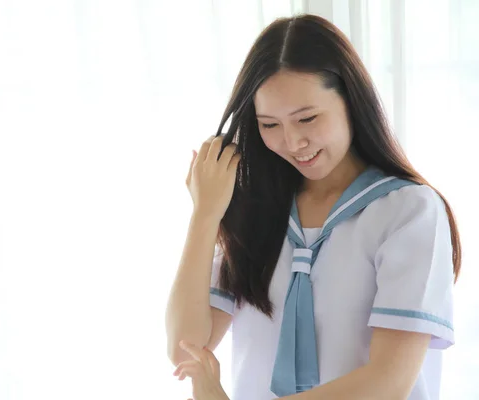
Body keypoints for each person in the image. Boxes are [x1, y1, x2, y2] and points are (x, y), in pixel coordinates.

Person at [164, 13, 461, 400]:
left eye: (307, 118)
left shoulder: (409, 212)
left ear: (351, 102)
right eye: (270, 125)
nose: (292, 142)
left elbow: (388, 383)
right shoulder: (258, 212)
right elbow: (185, 347)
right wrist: (205, 214)